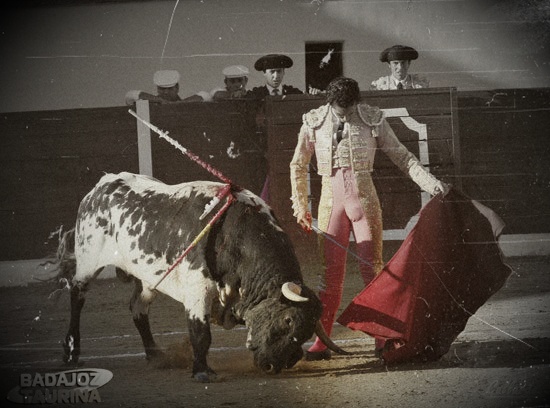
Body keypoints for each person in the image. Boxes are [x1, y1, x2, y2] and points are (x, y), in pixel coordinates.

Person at [289, 77, 449, 361]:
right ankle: (321, 342)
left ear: (356, 102)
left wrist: (431, 183)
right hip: (330, 202)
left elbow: (403, 156)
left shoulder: (372, 118)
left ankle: (381, 339)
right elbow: (298, 164)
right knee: (330, 277)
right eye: (340, 108)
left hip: (364, 201)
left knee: (372, 271)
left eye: (349, 108)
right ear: (330, 102)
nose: (344, 113)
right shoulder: (313, 121)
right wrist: (301, 204)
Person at [184, 65, 250, 102]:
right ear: (226, 82)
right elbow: (217, 95)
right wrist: (232, 95)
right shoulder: (218, 91)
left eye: (240, 80)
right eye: (232, 81)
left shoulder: (251, 94)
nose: (236, 84)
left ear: (246, 80)